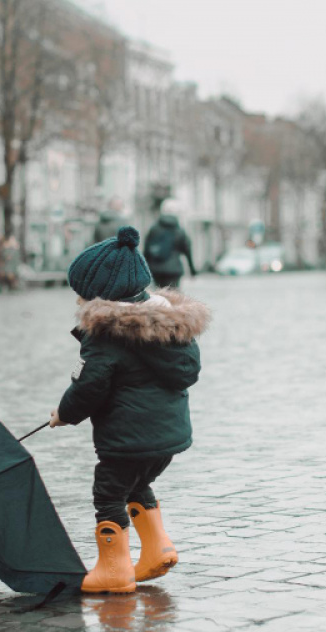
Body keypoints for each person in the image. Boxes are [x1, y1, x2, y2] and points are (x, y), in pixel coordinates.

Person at [49, 226, 210, 594]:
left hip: (127, 439)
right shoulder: (172, 326)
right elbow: (188, 372)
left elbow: (89, 387)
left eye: (81, 294)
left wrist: (64, 412)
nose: (78, 302)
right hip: (167, 439)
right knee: (138, 485)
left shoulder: (107, 334)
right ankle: (157, 549)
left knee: (108, 492)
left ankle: (114, 570)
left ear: (100, 294)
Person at [143, 212, 196, 289]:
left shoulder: (154, 229)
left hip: (156, 269)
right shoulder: (179, 231)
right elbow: (187, 251)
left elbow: (147, 251)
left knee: (160, 294)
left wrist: (144, 269)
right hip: (174, 269)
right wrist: (192, 270)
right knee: (173, 296)